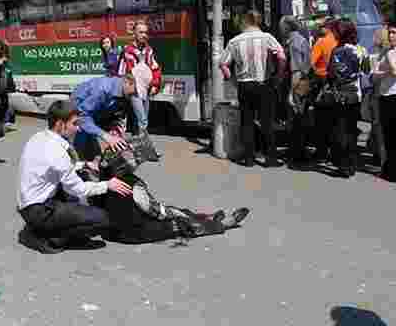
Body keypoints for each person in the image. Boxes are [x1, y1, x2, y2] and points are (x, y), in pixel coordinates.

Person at [90, 131, 252, 244]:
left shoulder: (103, 179)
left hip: (113, 230)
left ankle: (204, 217)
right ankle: (220, 225)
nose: (135, 162)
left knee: (175, 211)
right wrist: (174, 214)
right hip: (133, 232)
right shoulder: (133, 184)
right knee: (179, 222)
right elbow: (155, 211)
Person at [17, 100, 133, 254]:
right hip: (39, 211)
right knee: (102, 219)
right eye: (74, 124)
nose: (78, 129)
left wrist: (84, 165)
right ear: (60, 124)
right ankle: (44, 237)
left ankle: (40, 228)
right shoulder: (56, 151)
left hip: (27, 205)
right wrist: (108, 185)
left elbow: (54, 168)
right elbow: (79, 189)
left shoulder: (39, 137)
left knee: (76, 193)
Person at [220, 10, 286, 168]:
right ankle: (270, 158)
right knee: (267, 122)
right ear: (258, 22)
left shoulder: (234, 41)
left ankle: (249, 159)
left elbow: (223, 63)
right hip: (264, 83)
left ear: (245, 22)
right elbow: (282, 56)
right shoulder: (267, 37)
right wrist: (279, 75)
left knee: (247, 121)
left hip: (244, 85)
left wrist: (233, 80)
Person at [326, 20, 366, 178]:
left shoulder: (338, 51)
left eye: (335, 31)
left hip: (340, 94)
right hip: (356, 94)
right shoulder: (361, 49)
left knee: (341, 130)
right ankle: (351, 163)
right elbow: (367, 71)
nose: (333, 34)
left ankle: (343, 165)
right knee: (352, 129)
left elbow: (332, 73)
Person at [71, 74, 136, 161]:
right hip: (79, 112)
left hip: (93, 113)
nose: (136, 96)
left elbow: (113, 113)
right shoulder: (102, 89)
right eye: (135, 92)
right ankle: (77, 162)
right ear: (127, 82)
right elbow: (82, 117)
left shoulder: (123, 92)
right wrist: (106, 136)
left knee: (96, 149)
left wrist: (114, 125)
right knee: (82, 140)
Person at [117, 21, 162, 147]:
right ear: (134, 33)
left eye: (145, 32)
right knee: (143, 119)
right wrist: (125, 88)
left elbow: (155, 69)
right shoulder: (127, 50)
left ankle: (138, 146)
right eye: (141, 32)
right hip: (134, 90)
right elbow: (121, 71)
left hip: (146, 89)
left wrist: (154, 85)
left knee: (142, 118)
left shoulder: (149, 51)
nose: (144, 35)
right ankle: (147, 146)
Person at [279, 16, 312, 170]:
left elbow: (296, 70)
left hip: (297, 83)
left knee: (295, 119)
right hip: (303, 83)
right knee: (300, 117)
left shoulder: (294, 43)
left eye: (281, 27)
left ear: (287, 28)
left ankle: (297, 153)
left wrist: (291, 92)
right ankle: (299, 151)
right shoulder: (301, 40)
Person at [311, 18, 339, 163]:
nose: (319, 28)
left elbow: (312, 63)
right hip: (338, 84)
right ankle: (335, 153)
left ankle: (321, 152)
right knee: (335, 120)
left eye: (321, 26)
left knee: (321, 120)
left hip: (322, 82)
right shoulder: (338, 41)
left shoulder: (321, 42)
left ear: (327, 28)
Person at [372, 18, 396, 182]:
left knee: (392, 135)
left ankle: (391, 171)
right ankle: (388, 169)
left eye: (395, 32)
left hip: (392, 96)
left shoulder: (390, 53)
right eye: (391, 32)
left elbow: (394, 71)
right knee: (388, 135)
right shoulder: (386, 52)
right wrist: (384, 71)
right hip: (385, 95)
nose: (392, 35)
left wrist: (386, 69)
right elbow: (374, 75)